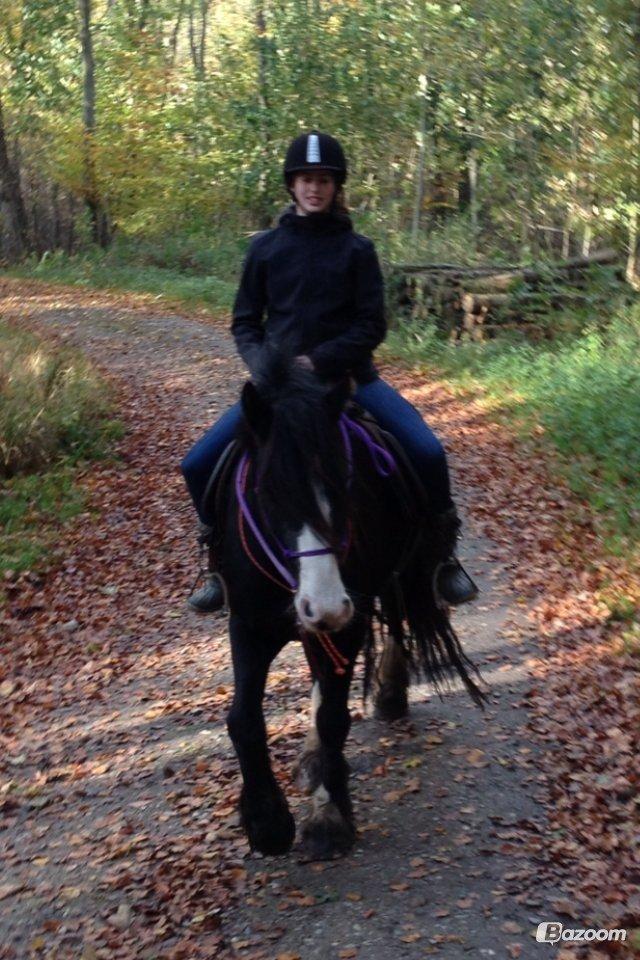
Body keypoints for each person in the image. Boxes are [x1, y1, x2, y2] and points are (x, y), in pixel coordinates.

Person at [181, 130, 478, 613]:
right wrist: (266, 368)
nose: (313, 188)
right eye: (305, 179)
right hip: (280, 395)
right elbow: (244, 322)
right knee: (196, 464)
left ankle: (443, 560)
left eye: (322, 180)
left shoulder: (357, 250)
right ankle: (216, 566)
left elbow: (371, 324)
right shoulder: (265, 250)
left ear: (335, 186)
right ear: (291, 185)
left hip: (351, 384)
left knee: (427, 450)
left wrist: (321, 360)